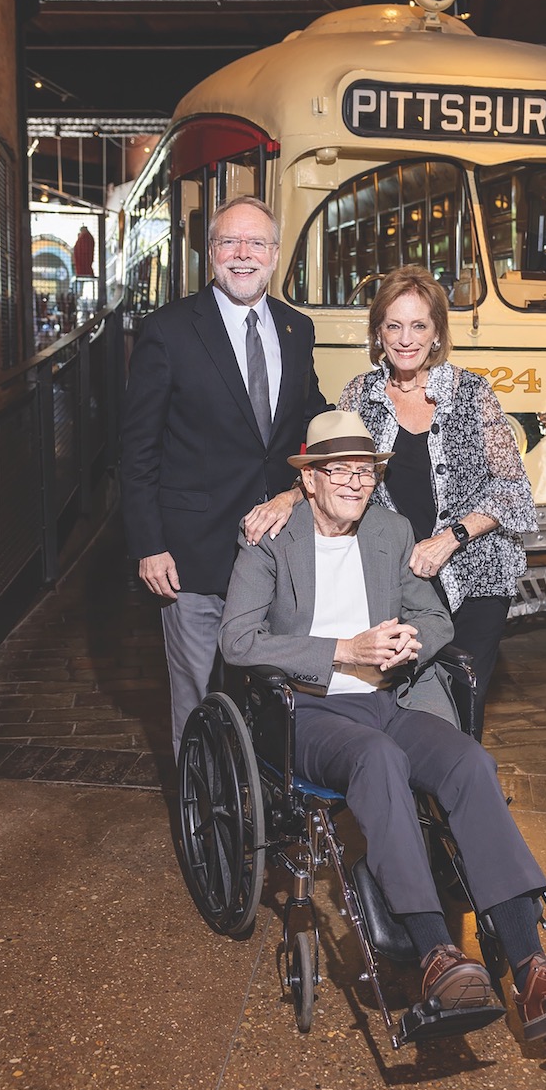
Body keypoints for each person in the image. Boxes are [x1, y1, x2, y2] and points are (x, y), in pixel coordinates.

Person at [220, 411, 546, 1040]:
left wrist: (411, 639)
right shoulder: (273, 539)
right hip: (309, 711)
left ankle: (535, 973)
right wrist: (341, 650)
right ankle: (437, 954)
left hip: (391, 700)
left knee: (469, 762)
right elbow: (238, 640)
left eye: (365, 470)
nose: (355, 483)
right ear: (311, 479)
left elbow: (435, 617)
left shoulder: (388, 529)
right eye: (340, 471)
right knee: (377, 759)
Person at [120, 196, 328, 760]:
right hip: (193, 555)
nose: (243, 255)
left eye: (256, 243)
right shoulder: (167, 331)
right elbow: (137, 450)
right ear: (210, 253)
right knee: (196, 697)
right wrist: (150, 545)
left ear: (276, 255)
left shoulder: (296, 328)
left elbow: (309, 415)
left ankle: (258, 805)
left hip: (276, 549)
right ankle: (204, 822)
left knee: (273, 689)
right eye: (229, 243)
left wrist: (363, 425)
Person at [337, 265, 538, 742]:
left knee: (463, 691)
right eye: (394, 325)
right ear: (378, 332)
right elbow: (338, 483)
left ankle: (458, 797)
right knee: (405, 695)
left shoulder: (472, 395)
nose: (406, 339)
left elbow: (515, 490)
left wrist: (451, 539)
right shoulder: (358, 397)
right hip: (400, 579)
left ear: (436, 334)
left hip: (476, 573)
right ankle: (414, 799)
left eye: (419, 325)